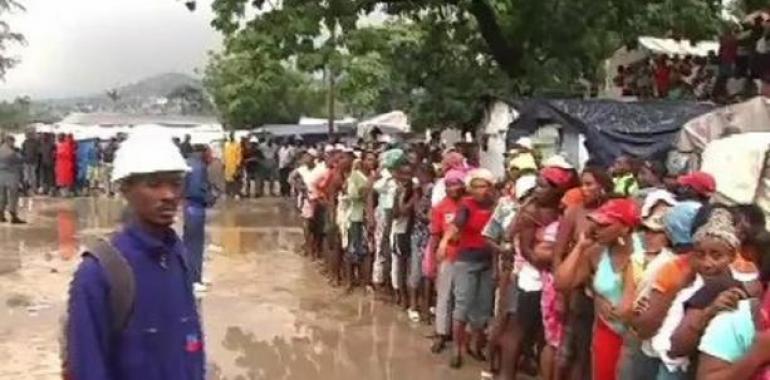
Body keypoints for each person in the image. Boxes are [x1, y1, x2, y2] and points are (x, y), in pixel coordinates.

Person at [63, 134, 204, 380]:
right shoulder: (100, 272)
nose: (169, 195)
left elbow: (191, 345)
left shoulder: (177, 255)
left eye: (175, 183)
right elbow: (87, 368)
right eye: (154, 184)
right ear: (125, 189)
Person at [555, 198, 641, 380]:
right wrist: (580, 246)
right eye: (596, 224)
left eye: (605, 225)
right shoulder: (596, 253)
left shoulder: (643, 254)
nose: (597, 229)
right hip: (607, 332)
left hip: (637, 337)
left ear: (625, 228)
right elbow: (562, 283)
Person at [441, 168, 496, 368]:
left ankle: (476, 345)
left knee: (483, 307)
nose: (482, 191)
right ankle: (457, 348)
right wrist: (444, 242)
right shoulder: (466, 206)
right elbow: (455, 226)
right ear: (471, 189)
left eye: (485, 186)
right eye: (477, 187)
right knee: (462, 305)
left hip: (488, 261)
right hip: (467, 260)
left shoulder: (496, 206)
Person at [429, 168, 466, 354]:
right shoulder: (440, 208)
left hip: (467, 257)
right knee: (444, 295)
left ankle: (459, 335)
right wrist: (432, 258)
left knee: (461, 298)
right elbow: (435, 235)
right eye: (450, 185)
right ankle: (441, 333)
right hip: (448, 255)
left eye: (457, 184)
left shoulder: (468, 205)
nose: (454, 188)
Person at [184, 144, 215, 293]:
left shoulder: (189, 163)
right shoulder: (199, 167)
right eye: (210, 153)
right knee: (195, 245)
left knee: (190, 243)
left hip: (188, 206)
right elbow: (197, 190)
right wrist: (210, 197)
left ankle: (193, 277)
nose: (212, 156)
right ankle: (194, 279)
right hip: (196, 206)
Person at [0, 135, 25, 224]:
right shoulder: (12, 153)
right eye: (13, 142)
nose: (13, 143)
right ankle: (13, 215)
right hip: (12, 177)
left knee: (2, 196)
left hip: (1, 176)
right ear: (9, 141)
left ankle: (1, 215)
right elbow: (20, 160)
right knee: (13, 196)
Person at [223, 132, 242, 198]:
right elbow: (224, 155)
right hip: (227, 165)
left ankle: (236, 193)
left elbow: (239, 155)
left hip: (235, 165)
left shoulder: (237, 144)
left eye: (232, 136)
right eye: (230, 136)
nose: (231, 137)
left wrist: (238, 165)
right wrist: (224, 163)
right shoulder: (226, 144)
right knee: (227, 180)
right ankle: (227, 193)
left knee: (236, 179)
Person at [21, 131, 40, 195]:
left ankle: (34, 189)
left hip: (32, 162)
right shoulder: (25, 142)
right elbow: (22, 152)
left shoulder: (35, 142)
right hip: (27, 162)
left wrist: (36, 161)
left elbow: (37, 153)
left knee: (33, 176)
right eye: (28, 135)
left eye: (30, 134)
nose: (29, 136)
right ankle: (26, 189)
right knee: (27, 176)